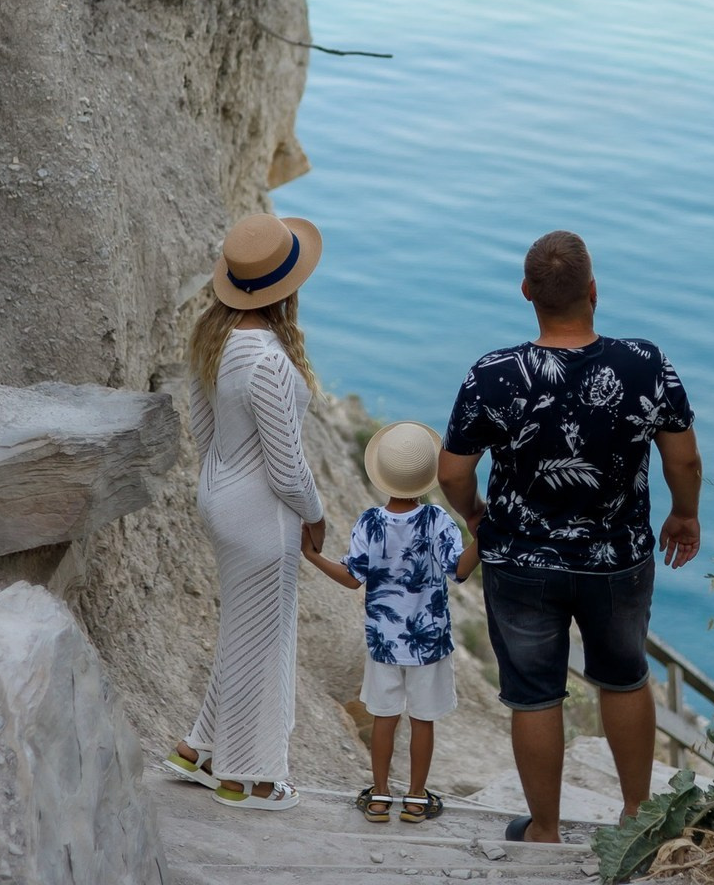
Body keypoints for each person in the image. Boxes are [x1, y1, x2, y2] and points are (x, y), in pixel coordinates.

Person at [437, 230, 702, 844]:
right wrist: (684, 515)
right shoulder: (645, 363)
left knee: (534, 695)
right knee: (625, 676)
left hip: (520, 560)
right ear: (593, 291)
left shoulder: (493, 374)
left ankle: (546, 830)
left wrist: (477, 513)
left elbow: (452, 471)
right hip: (616, 559)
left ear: (527, 292)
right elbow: (682, 463)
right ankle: (639, 816)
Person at [163, 212, 328, 811]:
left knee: (242, 632)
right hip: (263, 516)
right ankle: (245, 777)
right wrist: (315, 514)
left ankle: (199, 747)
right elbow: (287, 468)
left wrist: (220, 484)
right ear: (287, 286)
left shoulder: (215, 340)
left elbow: (204, 430)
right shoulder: (270, 364)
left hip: (221, 498)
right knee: (264, 644)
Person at [301, 420, 479, 824]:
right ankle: (415, 799)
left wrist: (312, 556)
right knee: (423, 721)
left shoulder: (370, 522)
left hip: (383, 642)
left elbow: (351, 577)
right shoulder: (437, 521)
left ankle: (380, 796)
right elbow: (460, 571)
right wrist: (484, 539)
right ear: (427, 477)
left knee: (384, 719)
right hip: (429, 644)